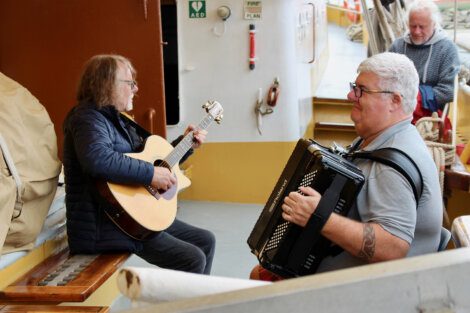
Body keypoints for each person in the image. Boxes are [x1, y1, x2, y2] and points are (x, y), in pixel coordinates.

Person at [252, 52, 443, 280]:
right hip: (349, 280)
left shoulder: (390, 168)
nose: (350, 95)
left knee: (260, 279)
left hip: (368, 296)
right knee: (261, 274)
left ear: (395, 101)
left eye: (362, 90)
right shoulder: (377, 141)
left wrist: (318, 216)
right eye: (354, 87)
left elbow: (392, 249)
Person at [63, 54, 215, 274]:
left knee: (205, 241)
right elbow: (98, 159)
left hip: (126, 217)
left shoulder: (114, 119)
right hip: (104, 226)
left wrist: (185, 144)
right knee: (192, 259)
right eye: (130, 83)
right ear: (107, 84)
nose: (135, 89)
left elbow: (152, 163)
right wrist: (150, 173)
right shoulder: (87, 118)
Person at [389, 0, 460, 123]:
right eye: (413, 26)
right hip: (394, 111)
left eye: (422, 27)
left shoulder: (447, 49)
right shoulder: (397, 46)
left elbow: (448, 90)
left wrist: (415, 99)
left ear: (434, 24)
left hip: (430, 117)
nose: (416, 32)